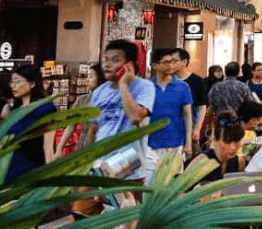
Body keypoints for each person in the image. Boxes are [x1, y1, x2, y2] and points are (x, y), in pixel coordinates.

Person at [81, 39, 157, 180]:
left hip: (129, 166)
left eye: (115, 60)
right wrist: (87, 163)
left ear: (129, 64)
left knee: (126, 203)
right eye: (105, 59)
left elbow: (136, 117)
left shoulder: (145, 87)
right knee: (81, 202)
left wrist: (123, 85)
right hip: (99, 164)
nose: (107, 65)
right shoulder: (99, 92)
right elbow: (92, 129)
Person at [138, 49, 194, 183]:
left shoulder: (183, 86)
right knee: (150, 184)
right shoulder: (147, 88)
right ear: (155, 65)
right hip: (151, 143)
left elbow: (187, 115)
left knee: (171, 186)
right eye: (166, 62)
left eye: (172, 62)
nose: (170, 65)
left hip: (175, 143)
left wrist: (189, 142)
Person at [4, 65, 58, 182]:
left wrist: (52, 177)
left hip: (32, 169)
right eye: (11, 82)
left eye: (17, 82)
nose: (13, 86)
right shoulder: (13, 110)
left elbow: (48, 147)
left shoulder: (45, 108)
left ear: (32, 83)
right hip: (9, 168)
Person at [173, 48, 208, 151]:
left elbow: (202, 106)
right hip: (171, 131)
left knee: (192, 158)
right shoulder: (168, 81)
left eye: (174, 61)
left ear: (184, 62)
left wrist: (197, 128)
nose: (171, 64)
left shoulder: (197, 81)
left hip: (190, 129)